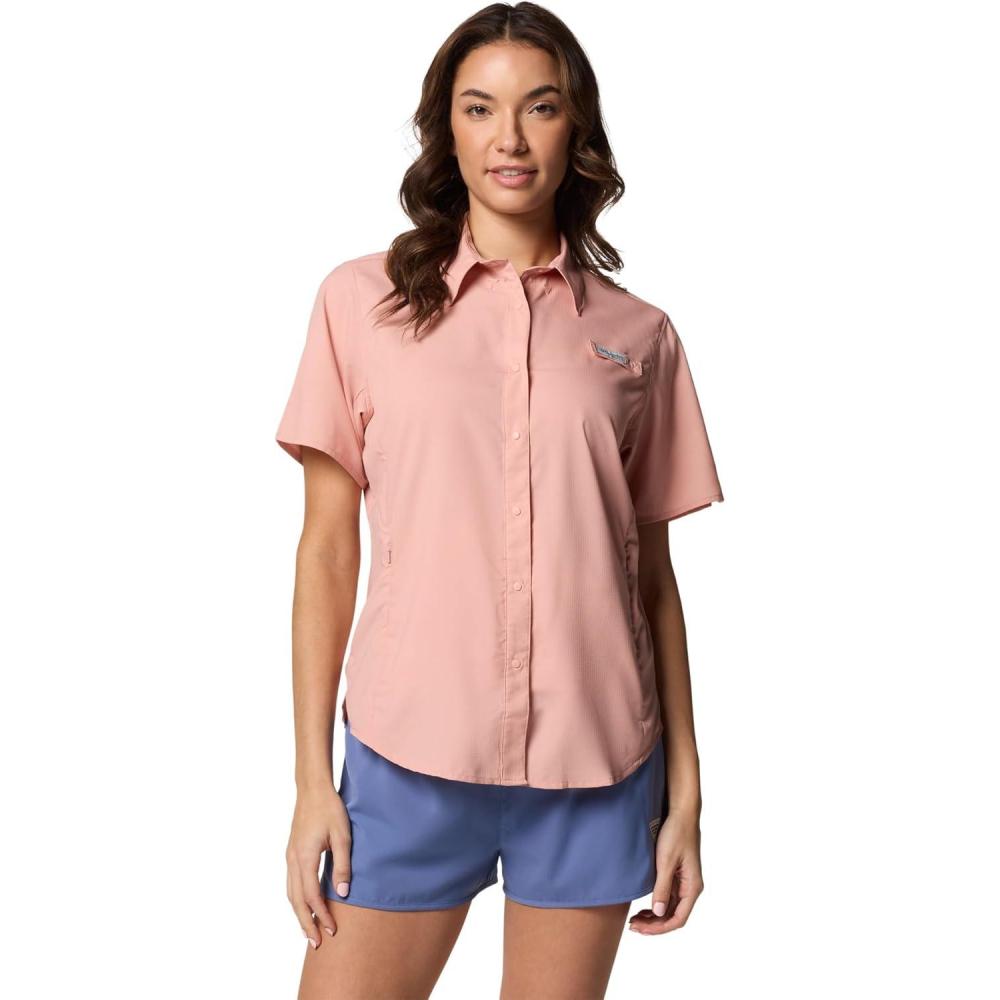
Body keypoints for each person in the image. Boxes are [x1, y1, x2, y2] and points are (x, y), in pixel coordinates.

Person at [276, 5, 724, 998]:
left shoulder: (638, 335)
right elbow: (327, 551)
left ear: (577, 129)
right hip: (407, 759)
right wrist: (311, 780)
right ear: (447, 129)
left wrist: (686, 788)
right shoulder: (360, 304)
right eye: (480, 109)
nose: (510, 138)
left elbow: (652, 581)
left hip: (594, 770)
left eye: (540, 107)